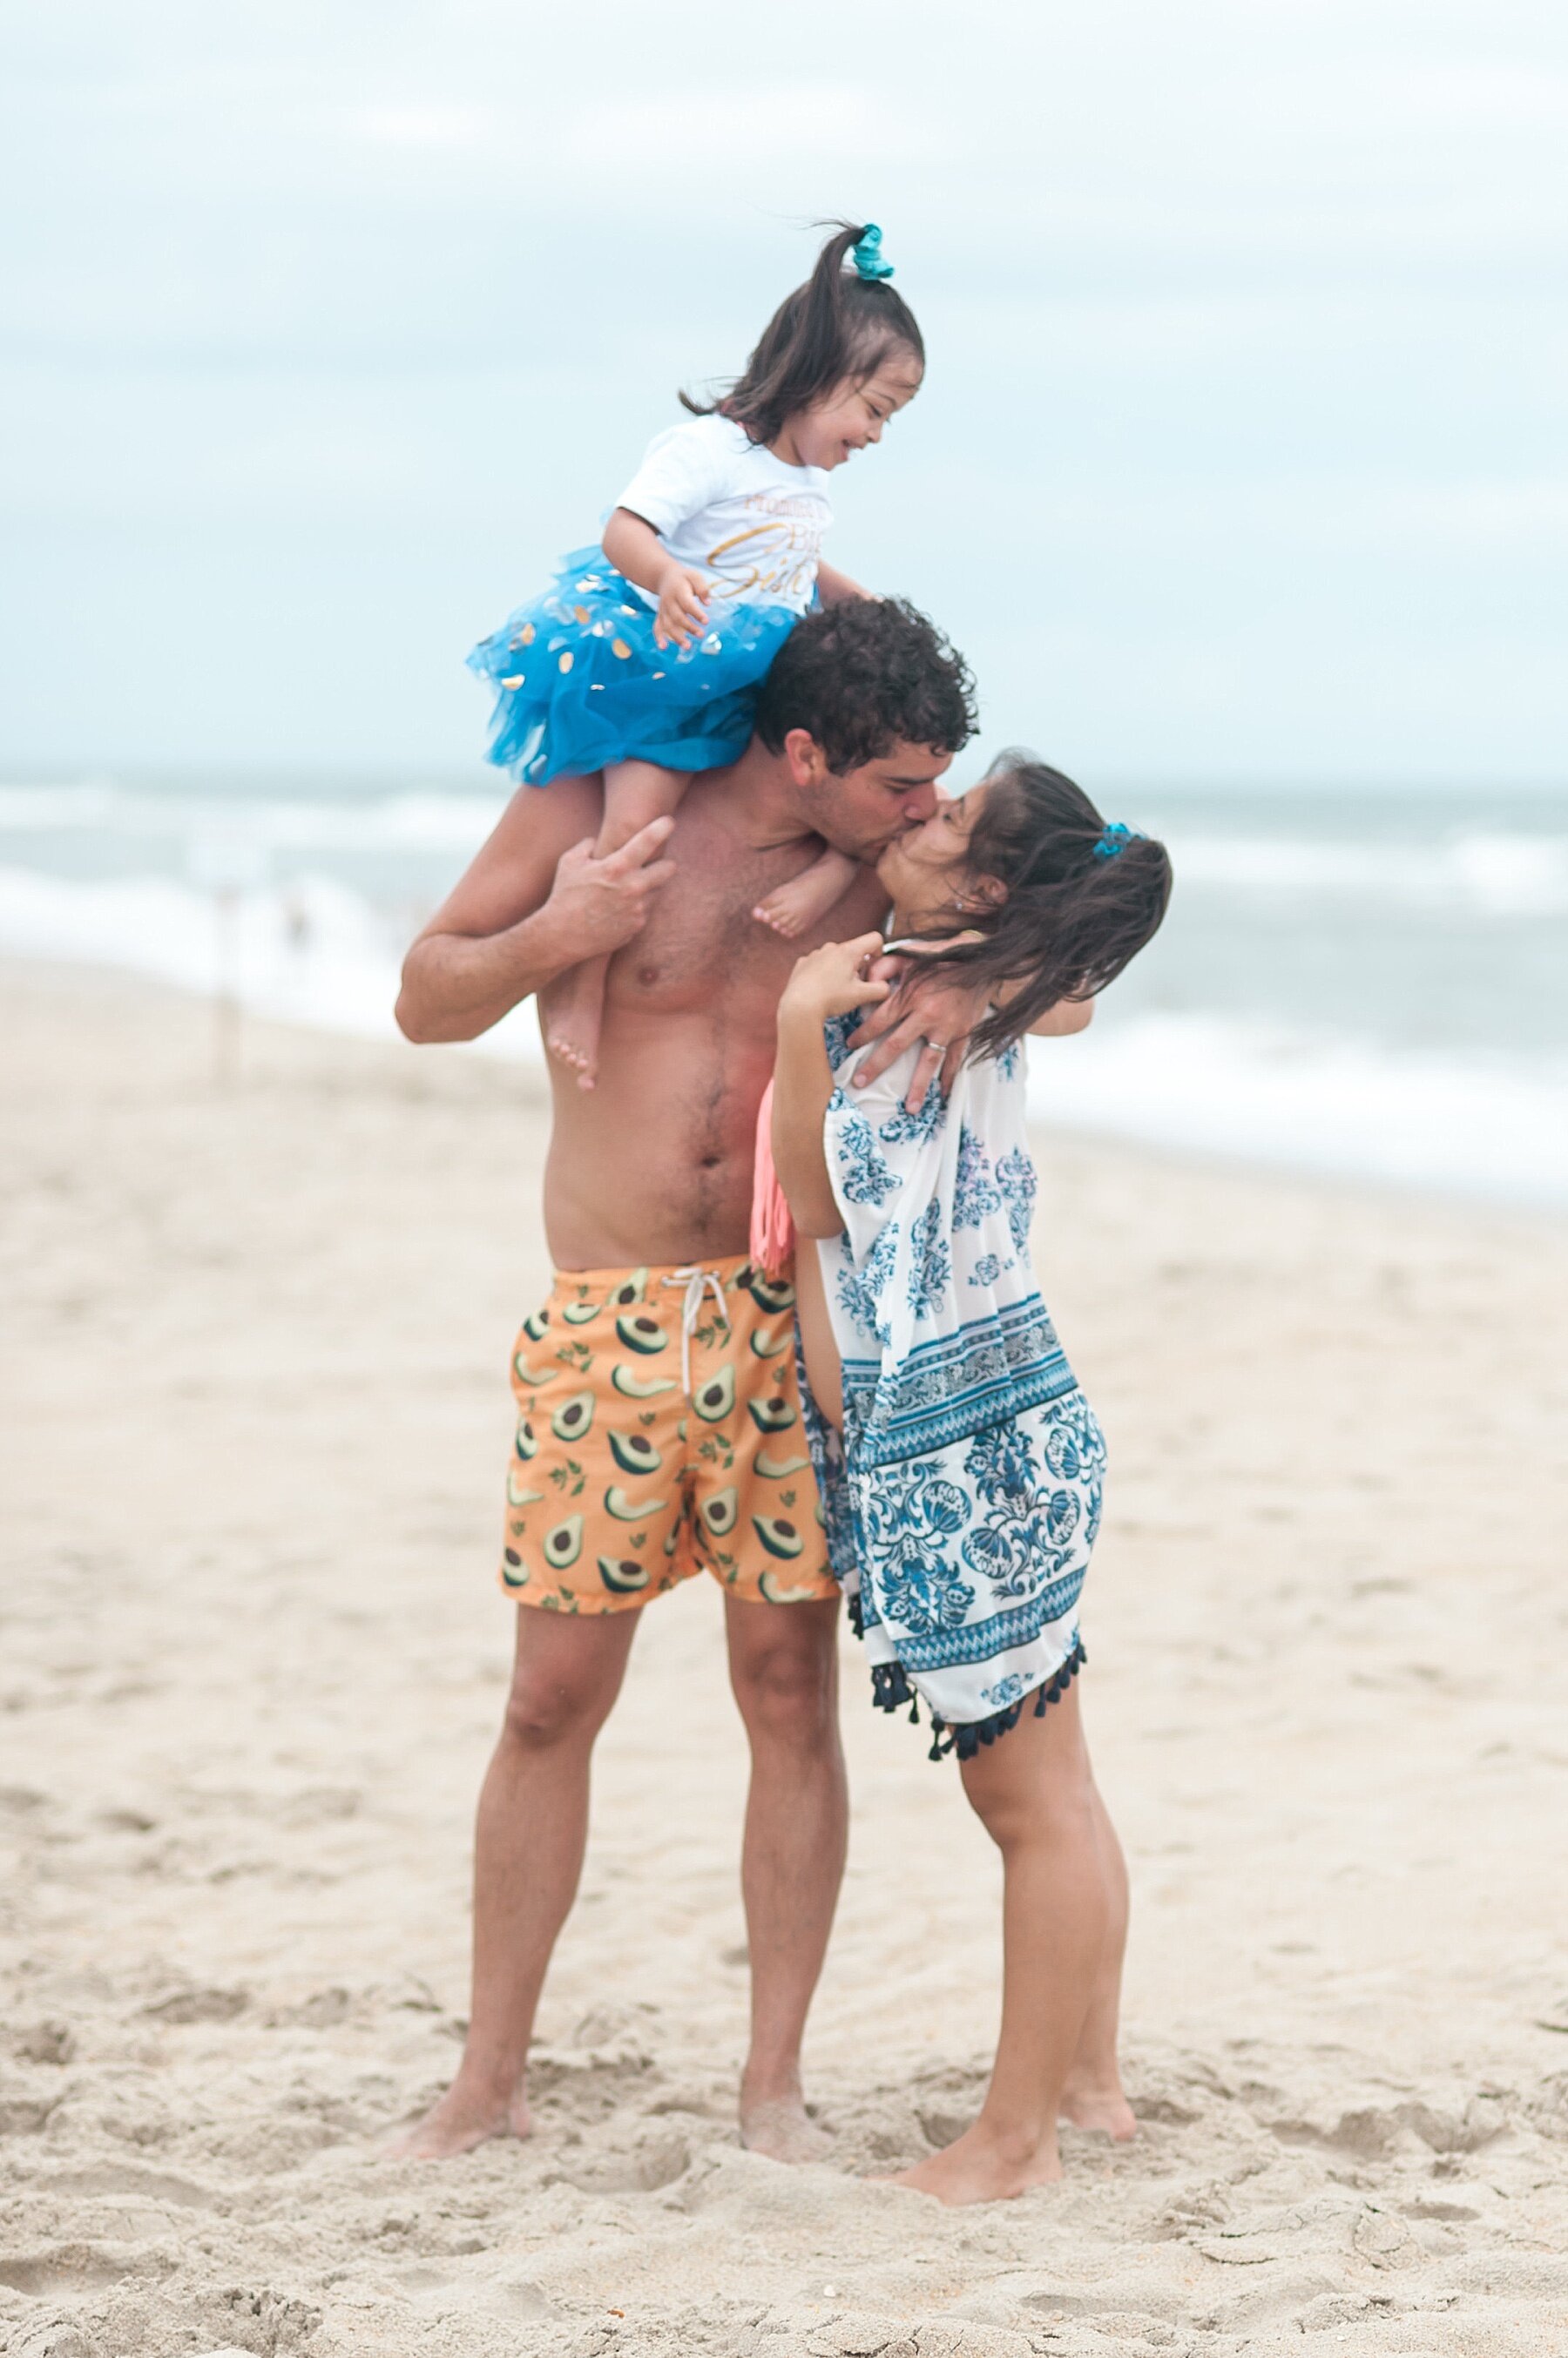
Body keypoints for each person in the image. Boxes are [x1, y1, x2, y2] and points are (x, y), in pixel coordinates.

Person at [389, 595, 977, 2161]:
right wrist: (559, 934)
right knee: (546, 1700)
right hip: (609, 1320)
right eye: (899, 783)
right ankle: (484, 2086)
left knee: (787, 1694)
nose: (925, 811)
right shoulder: (598, 808)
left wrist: (978, 968)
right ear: (802, 752)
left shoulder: (884, 873)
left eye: (936, 784)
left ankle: (771, 2088)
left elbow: (1083, 937)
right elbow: (424, 998)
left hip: (790, 1317)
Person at [769, 754, 1173, 2203]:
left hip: (966, 1449)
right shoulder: (987, 977)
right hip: (1007, 1424)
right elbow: (1074, 969)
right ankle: (1086, 2082)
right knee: (1058, 1778)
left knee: (1032, 1808)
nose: (918, 815)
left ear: (992, 885)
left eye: (948, 814)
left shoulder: (913, 995)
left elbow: (814, 1213)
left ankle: (1016, 2147)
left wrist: (790, 1020)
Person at [468, 220, 925, 1088]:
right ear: (821, 375)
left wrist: (855, 598)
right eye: (875, 409)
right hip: (668, 673)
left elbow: (791, 557)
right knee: (637, 830)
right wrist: (667, 576)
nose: (876, 434)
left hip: (760, 671)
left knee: (852, 777)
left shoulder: (809, 480)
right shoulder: (707, 451)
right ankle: (584, 983)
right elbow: (624, 530)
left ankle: (835, 870)